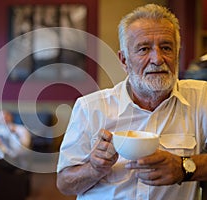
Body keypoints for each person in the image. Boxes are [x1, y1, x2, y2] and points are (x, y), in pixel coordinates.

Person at [56, 4, 207, 200]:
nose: (157, 59)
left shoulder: (202, 98)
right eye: (144, 49)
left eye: (166, 47)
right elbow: (65, 184)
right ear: (124, 60)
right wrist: (94, 168)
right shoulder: (90, 107)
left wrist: (185, 167)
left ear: (177, 54)